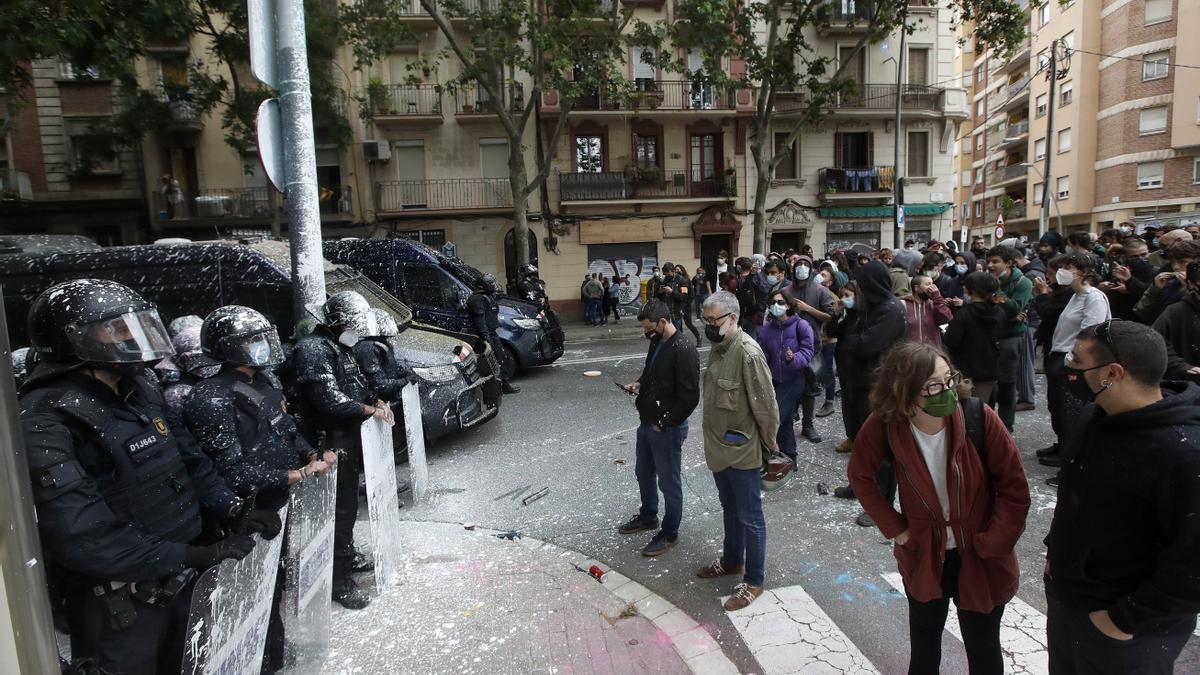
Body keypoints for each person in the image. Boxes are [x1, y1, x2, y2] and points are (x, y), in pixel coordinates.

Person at [18, 279, 276, 674]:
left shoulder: (139, 387)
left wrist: (232, 507)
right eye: (118, 329)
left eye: (136, 326)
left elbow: (189, 461)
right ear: (74, 340)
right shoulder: (44, 418)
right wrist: (190, 555)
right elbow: (82, 535)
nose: (133, 338)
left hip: (180, 577)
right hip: (120, 606)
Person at [848, 342, 1030, 675]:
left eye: (949, 379)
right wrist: (897, 528)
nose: (946, 391)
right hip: (924, 551)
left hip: (979, 552)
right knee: (925, 640)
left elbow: (1015, 487)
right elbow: (860, 475)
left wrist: (994, 541)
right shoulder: (886, 423)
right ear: (904, 391)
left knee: (983, 645)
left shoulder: (978, 415)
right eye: (933, 385)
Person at [1044, 320, 1200, 673]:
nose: (1067, 366)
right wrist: (1056, 553)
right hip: (1069, 600)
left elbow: (1192, 566)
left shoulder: (1185, 455)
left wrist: (1122, 621)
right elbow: (1074, 497)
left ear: (1112, 373)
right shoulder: (1093, 416)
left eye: (1077, 360)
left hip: (1128, 633)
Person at [186, 305, 334, 673]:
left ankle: (274, 652)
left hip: (277, 502)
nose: (263, 345)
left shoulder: (265, 382)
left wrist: (310, 453)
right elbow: (229, 470)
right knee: (244, 597)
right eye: (253, 340)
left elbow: (286, 428)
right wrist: (295, 475)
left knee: (275, 582)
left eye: (261, 337)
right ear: (230, 346)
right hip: (244, 512)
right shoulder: (210, 397)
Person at [294, 290, 395, 609]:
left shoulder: (343, 342)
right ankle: (338, 580)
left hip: (345, 435)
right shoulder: (312, 349)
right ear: (335, 323)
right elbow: (329, 401)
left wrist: (374, 399)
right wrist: (371, 411)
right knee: (336, 509)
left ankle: (345, 557)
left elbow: (357, 383)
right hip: (328, 437)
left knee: (347, 504)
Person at [695, 291, 779, 611]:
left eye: (712, 320)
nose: (707, 326)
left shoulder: (748, 353)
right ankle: (732, 561)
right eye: (704, 319)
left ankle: (754, 580)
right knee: (729, 507)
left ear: (732, 318)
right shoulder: (720, 347)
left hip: (743, 451)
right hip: (719, 450)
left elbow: (766, 408)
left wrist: (769, 447)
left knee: (750, 516)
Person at [617, 300, 700, 557]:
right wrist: (639, 384)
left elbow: (690, 397)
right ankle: (648, 516)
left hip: (667, 428)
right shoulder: (657, 341)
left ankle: (670, 532)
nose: (647, 333)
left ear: (663, 322)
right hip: (647, 422)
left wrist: (665, 423)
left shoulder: (684, 348)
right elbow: (651, 372)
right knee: (643, 472)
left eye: (649, 327)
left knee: (669, 482)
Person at [830, 262, 908, 520]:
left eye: (862, 285)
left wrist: (849, 339)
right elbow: (835, 332)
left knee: (880, 446)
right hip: (853, 381)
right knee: (860, 441)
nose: (859, 291)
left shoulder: (891, 309)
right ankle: (860, 486)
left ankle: (882, 505)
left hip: (877, 385)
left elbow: (866, 345)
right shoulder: (866, 307)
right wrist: (842, 315)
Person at [1037, 252, 1111, 479]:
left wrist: (1070, 361)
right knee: (1059, 410)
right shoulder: (1075, 295)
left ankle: (1073, 467)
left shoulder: (1093, 297)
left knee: (1073, 414)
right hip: (1060, 357)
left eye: (1069, 267)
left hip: (1074, 362)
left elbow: (1091, 334)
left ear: (1083, 272)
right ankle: (1064, 449)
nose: (1063, 271)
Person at [757, 289, 815, 465]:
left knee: (776, 416)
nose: (777, 305)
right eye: (773, 302)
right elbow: (763, 353)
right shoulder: (766, 330)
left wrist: (793, 358)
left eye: (781, 302)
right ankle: (790, 458)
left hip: (795, 377)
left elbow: (808, 350)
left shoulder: (801, 325)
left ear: (789, 304)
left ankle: (767, 454)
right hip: (774, 379)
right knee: (786, 418)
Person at [787, 254, 836, 442]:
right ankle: (788, 421)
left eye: (804, 264)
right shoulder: (786, 290)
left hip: (811, 345)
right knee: (789, 385)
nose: (801, 268)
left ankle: (808, 425)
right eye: (798, 264)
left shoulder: (820, 291)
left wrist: (808, 309)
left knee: (809, 388)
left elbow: (830, 316)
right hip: (788, 346)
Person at [986, 245, 1033, 431]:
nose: (990, 265)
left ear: (1009, 263)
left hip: (1010, 338)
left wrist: (996, 293)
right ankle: (986, 421)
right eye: (989, 261)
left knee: (1006, 382)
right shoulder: (987, 280)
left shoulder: (1023, 283)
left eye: (995, 262)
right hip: (990, 335)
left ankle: (1006, 426)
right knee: (988, 381)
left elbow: (1015, 309)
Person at [944, 272, 1005, 404]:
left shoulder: (964, 314)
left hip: (965, 370)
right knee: (983, 410)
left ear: (973, 289)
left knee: (965, 410)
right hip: (990, 369)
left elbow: (951, 341)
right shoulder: (999, 312)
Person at [467, 274, 520, 394]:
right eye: (491, 284)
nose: (494, 286)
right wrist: (487, 339)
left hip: (491, 333)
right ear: (485, 285)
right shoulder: (477, 299)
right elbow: (479, 322)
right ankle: (492, 390)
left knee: (501, 359)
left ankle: (503, 385)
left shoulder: (486, 297)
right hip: (484, 336)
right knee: (489, 363)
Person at [353, 308, 414, 404]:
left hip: (389, 398)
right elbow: (380, 386)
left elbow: (393, 369)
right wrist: (406, 380)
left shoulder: (383, 344)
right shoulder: (367, 348)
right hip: (376, 402)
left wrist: (410, 373)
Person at [1134, 238, 1200, 324]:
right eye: (1173, 262)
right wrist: (1155, 290)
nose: (1176, 267)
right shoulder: (1170, 283)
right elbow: (1141, 312)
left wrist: (1189, 289)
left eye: (1183, 262)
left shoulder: (1195, 286)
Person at [901, 273, 953, 348]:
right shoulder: (903, 304)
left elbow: (947, 318)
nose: (932, 288)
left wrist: (937, 298)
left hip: (931, 353)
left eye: (933, 284)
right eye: (928, 284)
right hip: (910, 352)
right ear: (916, 288)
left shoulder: (935, 304)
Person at [672, 264, 701, 342]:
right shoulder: (674, 280)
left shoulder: (685, 280)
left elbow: (688, 295)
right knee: (678, 324)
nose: (677, 271)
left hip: (685, 305)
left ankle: (698, 336)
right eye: (676, 270)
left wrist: (686, 305)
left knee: (688, 323)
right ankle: (680, 341)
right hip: (677, 305)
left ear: (682, 270)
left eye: (678, 269)